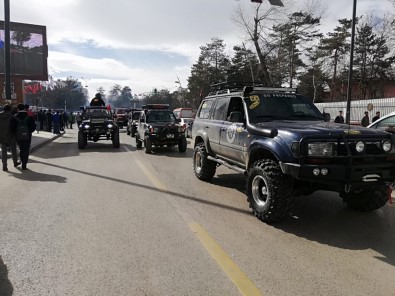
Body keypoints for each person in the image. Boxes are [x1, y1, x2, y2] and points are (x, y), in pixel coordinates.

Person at [9, 103, 36, 170]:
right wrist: (29, 132)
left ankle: (21, 160)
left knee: (21, 149)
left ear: (17, 108)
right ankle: (24, 164)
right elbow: (33, 127)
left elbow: (11, 127)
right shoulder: (30, 117)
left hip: (18, 136)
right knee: (26, 149)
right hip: (27, 136)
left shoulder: (14, 117)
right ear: (24, 108)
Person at [0, 104, 20, 171]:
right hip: (11, 135)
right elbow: (19, 123)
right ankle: (15, 162)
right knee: (13, 150)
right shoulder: (12, 117)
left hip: (2, 136)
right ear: (10, 109)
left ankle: (4, 165)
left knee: (3, 151)